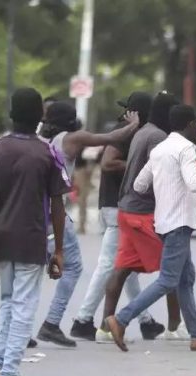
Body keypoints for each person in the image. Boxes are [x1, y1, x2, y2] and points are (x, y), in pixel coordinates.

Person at [105, 104, 196, 352]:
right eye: (195, 124)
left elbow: (140, 185)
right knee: (168, 280)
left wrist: (166, 192)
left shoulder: (160, 149)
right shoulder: (185, 148)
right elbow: (194, 184)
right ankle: (121, 319)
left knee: (186, 279)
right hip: (179, 223)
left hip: (163, 222)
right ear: (190, 124)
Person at [0, 88, 70, 376]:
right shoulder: (48, 153)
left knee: (7, 302)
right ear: (40, 118)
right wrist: (58, 249)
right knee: (24, 308)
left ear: (11, 115)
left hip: (0, 238)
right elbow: (57, 204)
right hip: (31, 239)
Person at [30, 101, 144, 347]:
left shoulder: (40, 139)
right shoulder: (71, 138)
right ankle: (51, 323)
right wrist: (133, 124)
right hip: (54, 212)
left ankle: (19, 327)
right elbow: (111, 137)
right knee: (72, 267)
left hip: (32, 212)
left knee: (30, 272)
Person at [69, 92, 161, 342]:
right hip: (116, 205)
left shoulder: (137, 132)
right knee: (110, 264)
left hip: (120, 205)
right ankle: (83, 319)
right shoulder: (126, 130)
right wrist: (141, 165)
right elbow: (109, 163)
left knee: (125, 265)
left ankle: (146, 320)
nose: (124, 114)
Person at [101, 92, 183, 342]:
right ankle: (173, 327)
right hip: (144, 211)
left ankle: (105, 326)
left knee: (122, 268)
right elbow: (161, 175)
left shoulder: (142, 131)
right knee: (174, 269)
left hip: (127, 209)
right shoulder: (158, 137)